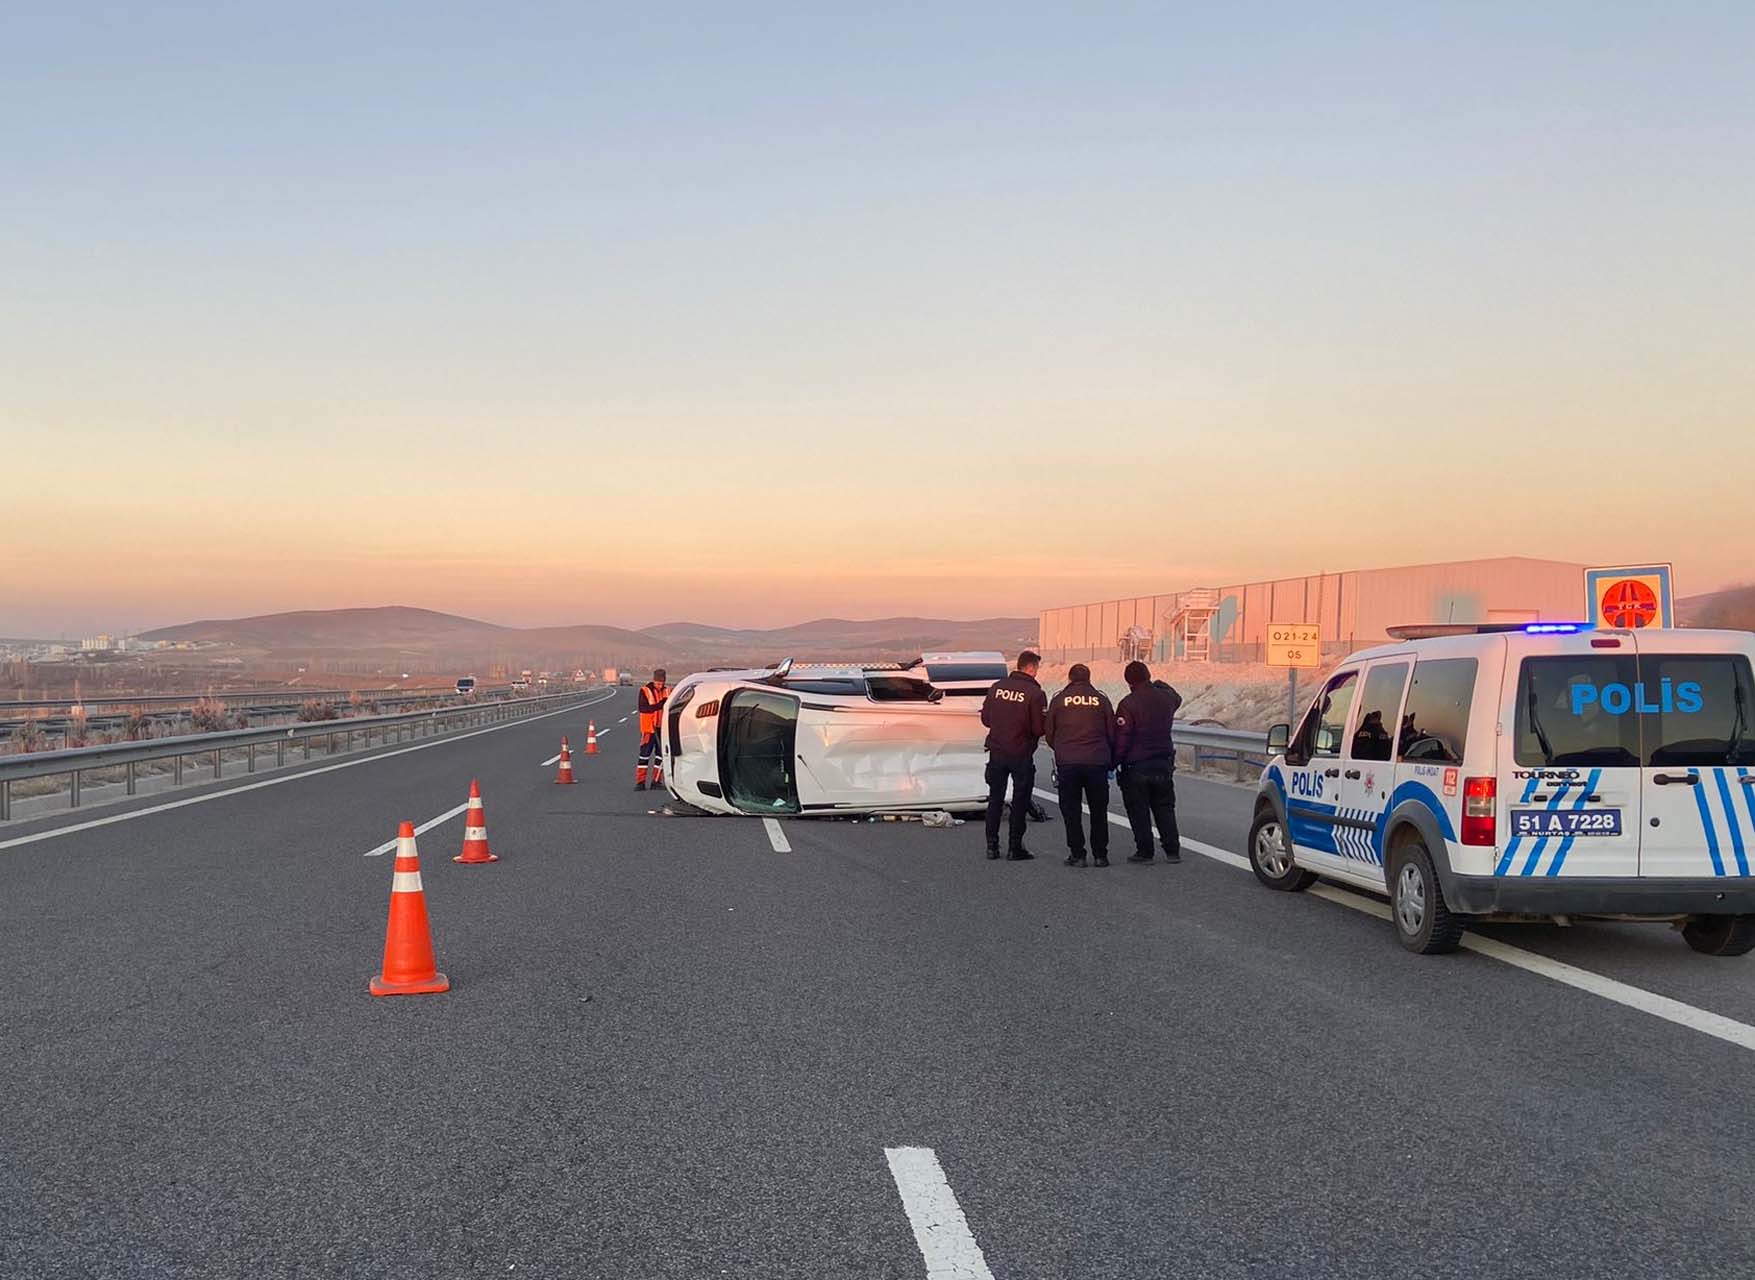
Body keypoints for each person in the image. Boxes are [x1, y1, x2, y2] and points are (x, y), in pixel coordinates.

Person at [979, 649, 1048, 861]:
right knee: (1020, 801)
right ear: (1032, 668)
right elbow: (1038, 728)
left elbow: (986, 720)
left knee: (995, 800)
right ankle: (1015, 847)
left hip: (997, 752)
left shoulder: (997, 688)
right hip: (1021, 754)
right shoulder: (1035, 694)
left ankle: (992, 846)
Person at [1045, 663, 1115, 867]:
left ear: (1069, 678)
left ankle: (1078, 854)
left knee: (1071, 810)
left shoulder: (1059, 700)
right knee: (1099, 810)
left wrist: (1062, 748)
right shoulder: (1101, 700)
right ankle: (1101, 855)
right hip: (1096, 762)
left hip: (1068, 763)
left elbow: (1049, 733)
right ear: (1089, 678)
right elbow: (1112, 733)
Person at [1113, 660, 1183, 864]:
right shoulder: (1166, 698)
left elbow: (1123, 738)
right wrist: (1160, 684)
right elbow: (1177, 698)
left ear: (1128, 681)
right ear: (1148, 675)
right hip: (1163, 761)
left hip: (1136, 765)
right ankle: (1172, 850)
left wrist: (1113, 762)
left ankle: (1145, 851)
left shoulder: (1128, 704)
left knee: (1138, 809)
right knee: (1165, 806)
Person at [635, 668, 669, 790]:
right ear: (654, 681)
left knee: (661, 755)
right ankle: (640, 782)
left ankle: (656, 781)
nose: (660, 685)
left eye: (662, 683)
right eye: (658, 683)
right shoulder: (645, 691)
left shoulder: (667, 691)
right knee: (644, 755)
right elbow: (643, 708)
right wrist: (660, 705)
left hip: (661, 728)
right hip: (648, 729)